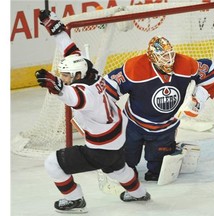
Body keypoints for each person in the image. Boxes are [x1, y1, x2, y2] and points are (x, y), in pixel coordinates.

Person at [35, 10, 150, 213]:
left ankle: (75, 200)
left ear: (78, 75)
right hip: (118, 138)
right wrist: (55, 29)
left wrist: (56, 86)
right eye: (63, 75)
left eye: (67, 76)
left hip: (100, 148)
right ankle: (139, 193)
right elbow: (72, 51)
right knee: (117, 169)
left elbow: (74, 97)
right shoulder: (91, 73)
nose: (64, 78)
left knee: (53, 164)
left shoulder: (84, 93)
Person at [104, 36, 214, 181]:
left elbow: (211, 70)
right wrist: (101, 116)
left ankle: (164, 157)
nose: (169, 60)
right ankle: (128, 167)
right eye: (163, 56)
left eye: (170, 54)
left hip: (166, 126)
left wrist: (198, 99)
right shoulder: (135, 68)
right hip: (134, 124)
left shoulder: (184, 63)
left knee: (159, 171)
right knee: (125, 167)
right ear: (152, 57)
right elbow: (106, 88)